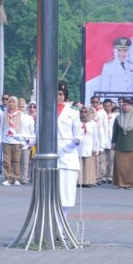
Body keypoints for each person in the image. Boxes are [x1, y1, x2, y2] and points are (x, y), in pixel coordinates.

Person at [57, 81, 81, 217]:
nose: (58, 96)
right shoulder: (45, 110)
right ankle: (53, 230)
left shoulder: (73, 113)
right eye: (56, 94)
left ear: (65, 95)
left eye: (60, 94)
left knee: (66, 198)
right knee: (51, 197)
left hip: (67, 158)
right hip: (51, 159)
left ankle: (61, 229)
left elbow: (77, 136)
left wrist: (75, 142)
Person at [111, 98, 133, 189]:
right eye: (124, 105)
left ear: (131, 106)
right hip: (120, 145)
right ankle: (121, 183)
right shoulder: (118, 118)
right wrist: (113, 142)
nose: (126, 107)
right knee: (120, 166)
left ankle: (130, 183)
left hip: (132, 145)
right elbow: (115, 132)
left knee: (131, 167)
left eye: (128, 105)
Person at [0, 96, 25, 186]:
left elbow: (23, 129)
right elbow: (1, 128)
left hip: (17, 141)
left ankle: (16, 178)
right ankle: (8, 178)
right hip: (6, 140)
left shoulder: (20, 115)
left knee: (16, 160)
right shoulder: (4, 114)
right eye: (10, 102)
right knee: (6, 161)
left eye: (13, 102)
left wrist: (22, 141)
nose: (11, 104)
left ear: (16, 103)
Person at [78, 106, 98, 187]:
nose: (83, 114)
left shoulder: (93, 123)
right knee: (79, 164)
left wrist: (95, 148)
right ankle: (79, 181)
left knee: (88, 165)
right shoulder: (77, 122)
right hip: (79, 147)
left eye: (85, 112)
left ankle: (88, 181)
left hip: (89, 146)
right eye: (81, 112)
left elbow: (96, 137)